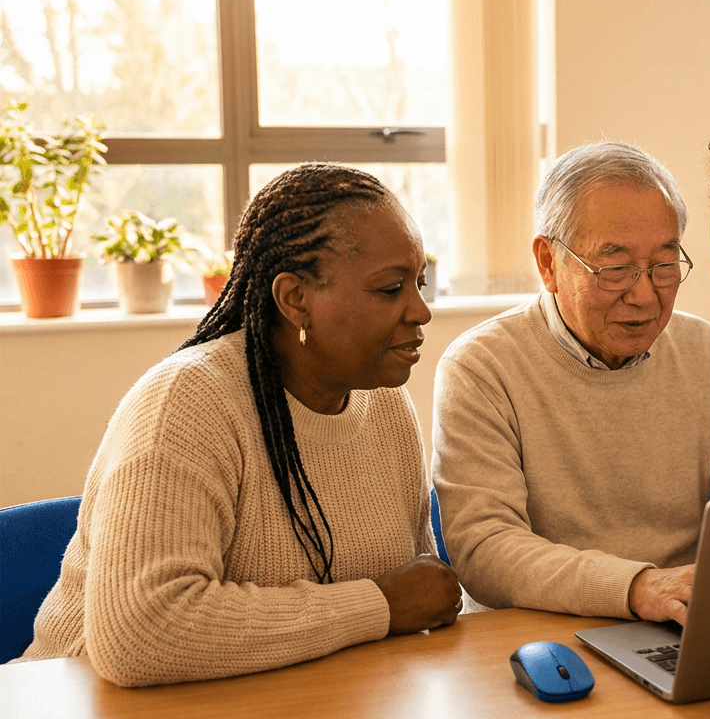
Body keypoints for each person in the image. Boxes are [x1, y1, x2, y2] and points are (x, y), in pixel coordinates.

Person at [9, 164, 462, 687]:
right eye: (390, 289)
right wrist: (376, 605)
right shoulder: (187, 404)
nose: (421, 311)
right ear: (295, 300)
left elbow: (418, 592)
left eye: (419, 282)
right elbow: (141, 635)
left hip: (290, 707)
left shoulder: (384, 406)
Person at [432, 141, 710, 625]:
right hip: (543, 633)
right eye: (615, 268)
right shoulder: (481, 367)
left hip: (684, 620)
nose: (644, 295)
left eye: (664, 265)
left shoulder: (705, 353)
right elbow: (485, 550)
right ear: (547, 263)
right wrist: (636, 587)